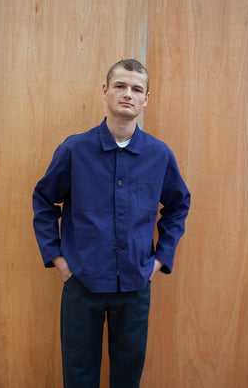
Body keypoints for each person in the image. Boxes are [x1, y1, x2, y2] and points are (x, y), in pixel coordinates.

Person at [32, 59, 190, 388]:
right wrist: (58, 260)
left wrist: (160, 260)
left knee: (127, 377)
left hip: (135, 284)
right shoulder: (75, 150)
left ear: (146, 98)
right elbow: (45, 201)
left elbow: (177, 205)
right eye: (120, 86)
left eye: (136, 89)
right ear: (105, 91)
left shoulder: (159, 155)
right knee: (78, 375)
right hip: (81, 283)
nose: (127, 94)